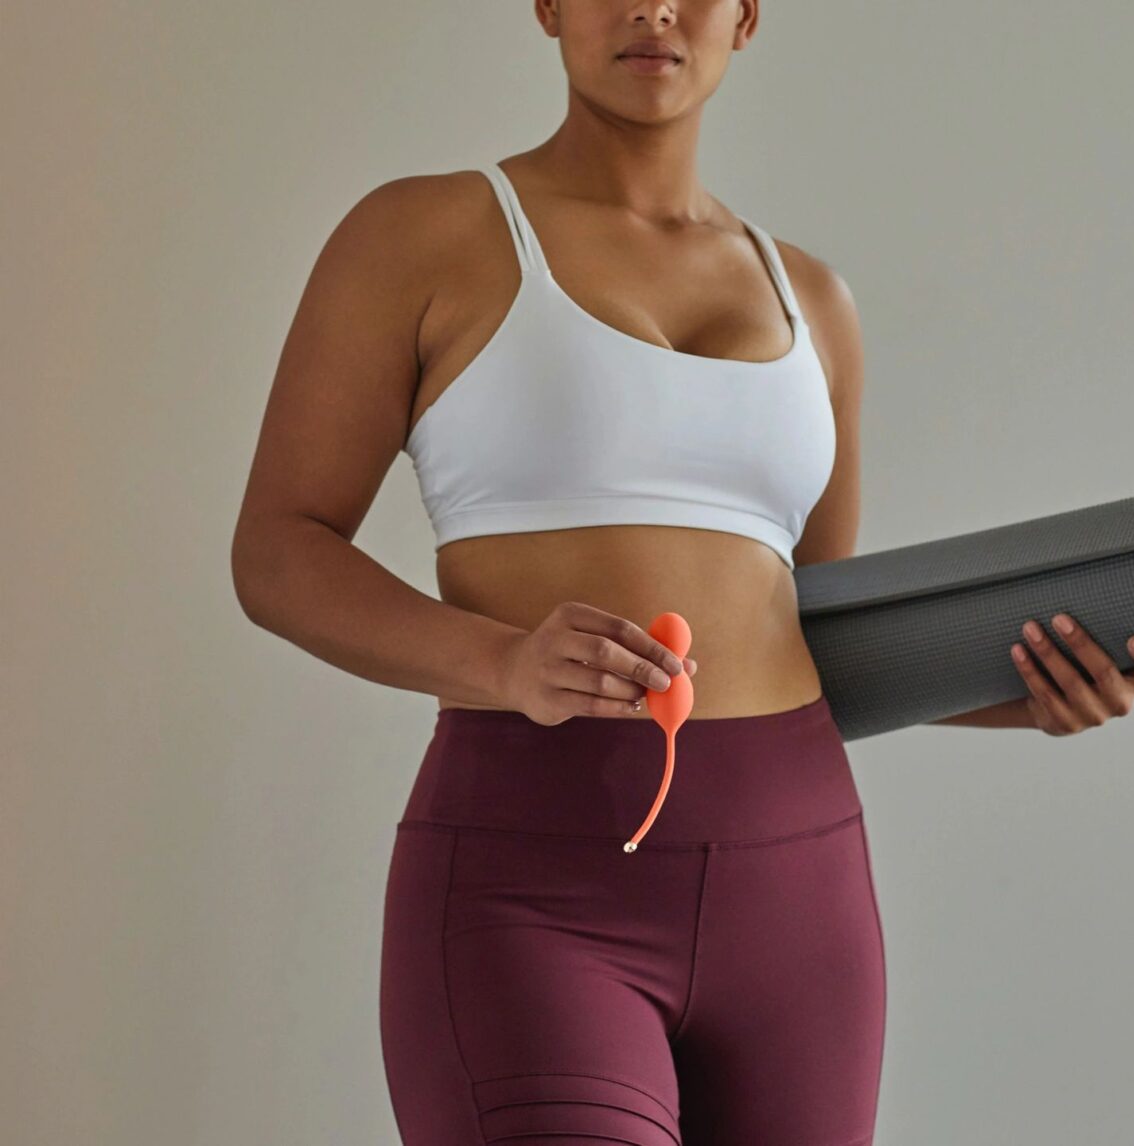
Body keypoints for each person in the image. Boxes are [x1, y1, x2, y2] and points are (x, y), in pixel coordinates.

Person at [230, 3, 882, 1143]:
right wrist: (502, 660)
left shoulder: (815, 303)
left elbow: (824, 632)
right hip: (532, 893)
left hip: (805, 901)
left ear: (747, 14)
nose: (651, 9)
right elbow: (279, 550)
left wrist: (1019, 690)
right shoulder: (423, 234)